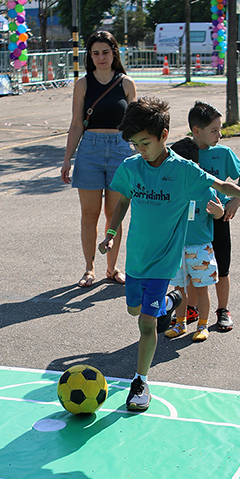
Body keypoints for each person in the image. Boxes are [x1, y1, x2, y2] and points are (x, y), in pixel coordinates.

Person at [99, 98, 240, 413]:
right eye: (135, 144)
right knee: (134, 310)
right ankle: (174, 300)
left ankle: (140, 381)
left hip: (164, 262)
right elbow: (122, 201)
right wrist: (110, 233)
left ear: (163, 135)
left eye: (145, 143)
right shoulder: (131, 167)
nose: (140, 150)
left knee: (147, 324)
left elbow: (221, 184)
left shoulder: (183, 170)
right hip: (137, 259)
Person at [60, 30, 137, 287]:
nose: (101, 58)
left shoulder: (126, 83)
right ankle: (89, 269)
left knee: (114, 214)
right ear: (89, 56)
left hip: (120, 149)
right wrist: (67, 159)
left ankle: (112, 268)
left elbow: (135, 123)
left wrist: (143, 155)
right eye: (95, 53)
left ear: (114, 53)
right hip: (89, 151)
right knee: (89, 214)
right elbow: (76, 124)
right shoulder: (83, 84)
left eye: (105, 52)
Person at [188, 102, 240, 333]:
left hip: (219, 217)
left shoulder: (223, 153)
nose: (219, 135)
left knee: (221, 267)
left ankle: (223, 310)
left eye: (220, 129)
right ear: (196, 131)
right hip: (192, 220)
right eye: (214, 130)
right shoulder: (184, 152)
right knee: (191, 264)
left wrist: (235, 200)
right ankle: (191, 308)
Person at [165, 138, 225, 342]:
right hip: (176, 248)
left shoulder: (206, 188)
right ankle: (180, 323)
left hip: (200, 249)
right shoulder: (170, 188)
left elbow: (218, 214)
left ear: (194, 165)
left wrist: (219, 211)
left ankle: (203, 325)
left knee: (201, 290)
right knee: (179, 290)